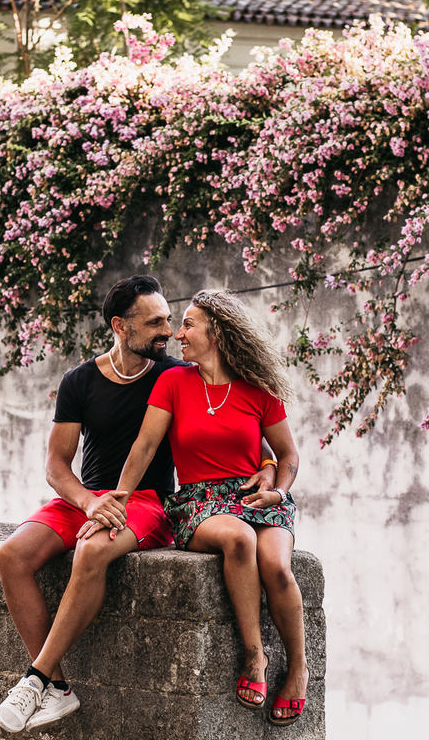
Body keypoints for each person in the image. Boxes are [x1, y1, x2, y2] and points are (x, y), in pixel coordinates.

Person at [0, 276, 277, 733]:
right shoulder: (79, 381)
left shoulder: (177, 375)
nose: (169, 331)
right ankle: (60, 690)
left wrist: (266, 461)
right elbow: (55, 465)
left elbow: (239, 418)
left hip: (148, 502)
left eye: (170, 319)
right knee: (10, 555)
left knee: (93, 551)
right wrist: (89, 502)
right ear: (120, 327)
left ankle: (35, 678)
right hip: (91, 497)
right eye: (156, 323)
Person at [93, 288, 308, 727]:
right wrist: (120, 498)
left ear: (218, 332)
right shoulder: (173, 382)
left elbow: (287, 455)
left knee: (278, 566)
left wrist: (277, 489)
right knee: (238, 537)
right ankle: (255, 657)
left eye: (189, 324)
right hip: (198, 500)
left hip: (257, 498)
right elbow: (145, 445)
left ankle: (299, 670)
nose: (177, 334)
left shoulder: (258, 389)